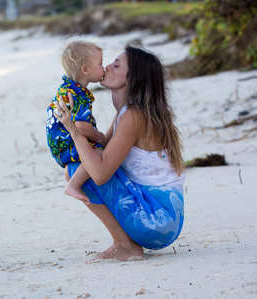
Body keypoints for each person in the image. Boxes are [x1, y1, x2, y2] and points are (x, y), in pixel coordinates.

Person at [53, 44, 185, 261]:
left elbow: (100, 173)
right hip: (162, 219)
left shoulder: (134, 116)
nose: (107, 67)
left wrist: (74, 132)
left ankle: (125, 245)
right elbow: (102, 147)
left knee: (79, 170)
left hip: (156, 222)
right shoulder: (128, 112)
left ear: (132, 78)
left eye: (116, 65)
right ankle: (125, 243)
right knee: (81, 168)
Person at [46, 40, 106, 204]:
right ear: (85, 70)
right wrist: (97, 136)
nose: (104, 67)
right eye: (100, 63)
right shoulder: (77, 94)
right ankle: (74, 185)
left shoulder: (67, 87)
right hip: (67, 144)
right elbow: (80, 125)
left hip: (60, 144)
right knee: (99, 153)